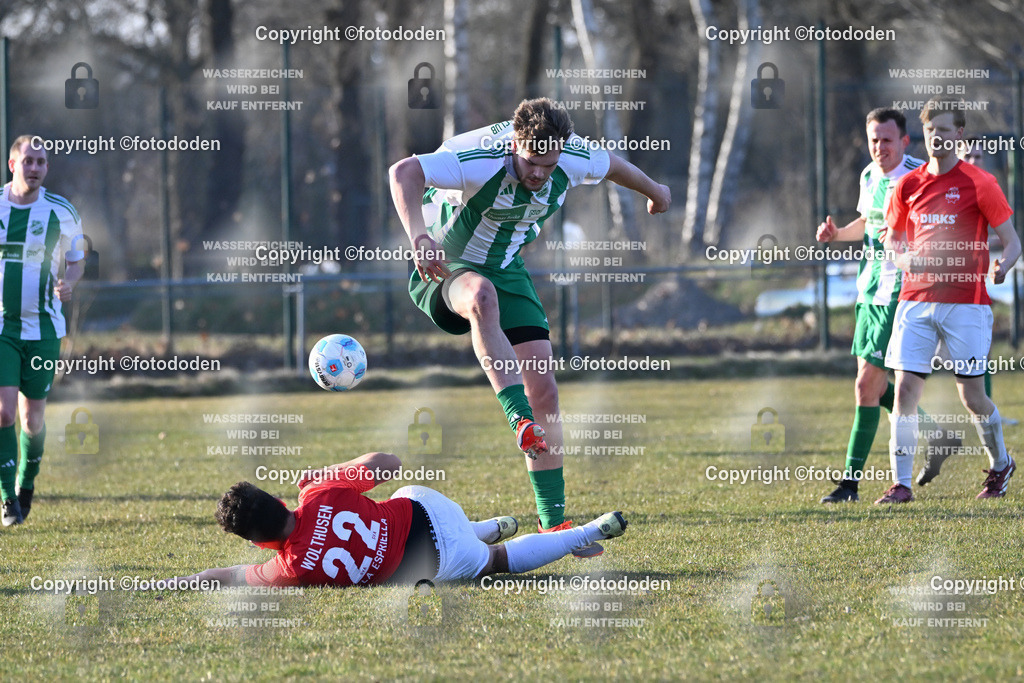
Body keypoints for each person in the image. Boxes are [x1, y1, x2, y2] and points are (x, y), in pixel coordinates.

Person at [388, 97, 669, 554]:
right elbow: (403, 172)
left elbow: (614, 165)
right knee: (481, 297)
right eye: (531, 162)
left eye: (548, 163)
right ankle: (517, 419)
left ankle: (555, 524)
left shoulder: (570, 155)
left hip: (506, 267)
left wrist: (656, 190)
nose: (539, 173)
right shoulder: (477, 159)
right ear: (515, 143)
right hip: (444, 267)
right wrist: (419, 237)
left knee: (546, 391)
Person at [171, 452, 628, 588]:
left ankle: (587, 531)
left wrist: (181, 580)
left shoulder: (289, 570)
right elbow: (388, 464)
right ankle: (486, 525)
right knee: (400, 500)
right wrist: (327, 474)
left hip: (437, 558)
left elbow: (229, 577)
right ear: (276, 497)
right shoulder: (318, 492)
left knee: (495, 562)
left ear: (257, 543)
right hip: (425, 504)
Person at [878, 96, 1020, 503]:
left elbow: (1012, 242)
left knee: (971, 396)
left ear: (958, 134)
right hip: (915, 301)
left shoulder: (979, 182)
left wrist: (1003, 266)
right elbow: (893, 239)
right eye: (929, 130)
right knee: (904, 391)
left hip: (966, 303)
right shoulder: (908, 184)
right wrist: (903, 257)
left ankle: (1000, 464)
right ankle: (901, 485)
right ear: (921, 135)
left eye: (943, 130)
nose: (936, 137)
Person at [815, 108, 956, 503]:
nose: (880, 147)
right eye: (874, 140)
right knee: (874, 389)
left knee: (866, 385)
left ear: (905, 141)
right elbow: (868, 222)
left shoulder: (920, 175)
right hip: (869, 291)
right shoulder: (867, 175)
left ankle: (849, 484)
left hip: (901, 292)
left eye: (887, 140)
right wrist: (837, 233)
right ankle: (937, 435)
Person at [0, 135, 84, 526]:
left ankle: (26, 485)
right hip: (2, 327)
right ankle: (6, 500)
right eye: (28, 160)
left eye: (42, 162)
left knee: (32, 419)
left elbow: (77, 260)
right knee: (3, 413)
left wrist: (69, 282)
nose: (35, 168)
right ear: (13, 164)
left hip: (44, 328)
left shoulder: (61, 211)